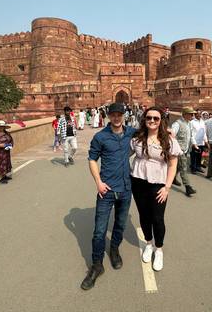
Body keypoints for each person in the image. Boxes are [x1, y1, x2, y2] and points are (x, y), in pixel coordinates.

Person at [81, 103, 136, 290]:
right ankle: (97, 265)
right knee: (99, 230)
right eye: (113, 114)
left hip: (126, 189)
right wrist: (98, 182)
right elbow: (92, 159)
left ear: (124, 115)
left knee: (120, 225)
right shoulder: (100, 137)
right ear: (108, 116)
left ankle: (114, 250)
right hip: (106, 190)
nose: (116, 117)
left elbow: (151, 133)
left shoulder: (131, 133)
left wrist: (168, 131)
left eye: (119, 114)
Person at [130, 107, 180, 271]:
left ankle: (159, 249)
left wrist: (167, 187)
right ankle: (149, 244)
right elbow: (124, 153)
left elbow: (173, 164)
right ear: (144, 119)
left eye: (156, 118)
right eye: (149, 118)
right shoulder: (137, 138)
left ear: (161, 121)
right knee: (144, 216)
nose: (152, 121)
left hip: (158, 184)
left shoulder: (168, 140)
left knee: (157, 218)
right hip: (138, 182)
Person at [171, 107, 198, 197]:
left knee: (179, 166)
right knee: (183, 168)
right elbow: (172, 136)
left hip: (186, 149)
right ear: (185, 114)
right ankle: (188, 187)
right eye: (191, 114)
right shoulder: (177, 124)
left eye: (193, 114)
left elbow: (191, 136)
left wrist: (194, 144)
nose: (192, 116)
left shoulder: (188, 124)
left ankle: (173, 178)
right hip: (179, 150)